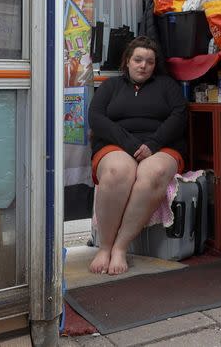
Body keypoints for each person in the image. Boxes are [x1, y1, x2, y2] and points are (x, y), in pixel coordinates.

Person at [88, 36, 186, 275]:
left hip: (160, 147)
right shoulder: (110, 87)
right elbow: (96, 117)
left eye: (149, 62)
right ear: (128, 61)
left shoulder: (167, 86)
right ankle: (105, 247)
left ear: (155, 65)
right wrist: (129, 144)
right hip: (117, 145)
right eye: (138, 60)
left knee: (155, 172)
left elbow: (180, 114)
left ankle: (120, 248)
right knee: (118, 171)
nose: (143, 66)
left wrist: (153, 143)